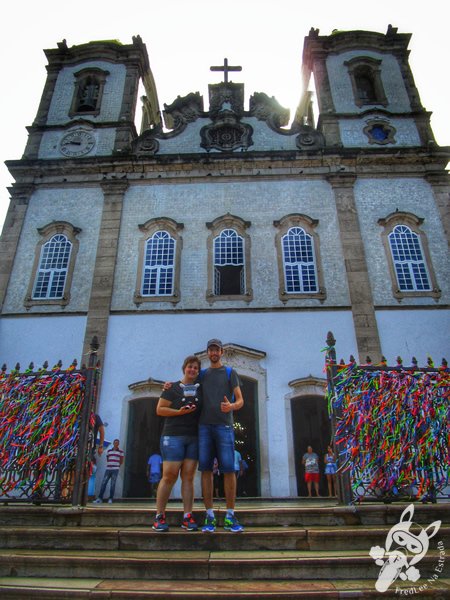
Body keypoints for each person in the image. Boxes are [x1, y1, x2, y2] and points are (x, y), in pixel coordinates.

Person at [198, 339, 244, 533]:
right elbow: (185, 388)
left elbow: (240, 400)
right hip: (204, 427)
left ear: (222, 352)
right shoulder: (201, 374)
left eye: (217, 349)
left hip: (224, 426)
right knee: (206, 470)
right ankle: (209, 516)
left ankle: (230, 515)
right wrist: (168, 387)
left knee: (229, 470)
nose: (214, 352)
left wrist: (231, 406)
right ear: (207, 353)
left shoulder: (229, 373)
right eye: (211, 349)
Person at [152, 355, 202, 532]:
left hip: (193, 437)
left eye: (196, 368)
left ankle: (187, 516)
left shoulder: (199, 389)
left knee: (188, 477)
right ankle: (159, 515)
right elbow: (160, 409)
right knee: (170, 476)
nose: (192, 370)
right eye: (190, 367)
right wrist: (179, 412)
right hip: (173, 436)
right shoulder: (171, 388)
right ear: (184, 368)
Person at [94, 438, 124, 503]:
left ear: (118, 444)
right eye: (115, 442)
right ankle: (100, 498)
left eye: (117, 443)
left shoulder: (121, 452)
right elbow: (108, 459)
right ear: (113, 443)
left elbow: (121, 460)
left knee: (113, 484)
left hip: (115, 469)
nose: (116, 444)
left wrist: (117, 465)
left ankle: (110, 498)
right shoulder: (109, 451)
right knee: (104, 483)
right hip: (108, 469)